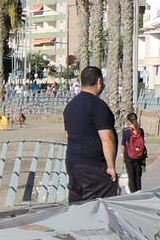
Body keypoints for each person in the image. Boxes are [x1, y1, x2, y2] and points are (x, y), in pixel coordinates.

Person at [63, 65, 119, 202]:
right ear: (99, 81)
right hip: (94, 167)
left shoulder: (70, 106)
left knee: (77, 205)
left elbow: (68, 137)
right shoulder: (98, 106)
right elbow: (107, 139)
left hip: (73, 163)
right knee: (100, 207)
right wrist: (111, 166)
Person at [122, 110, 149, 193]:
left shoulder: (126, 131)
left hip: (129, 156)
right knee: (138, 176)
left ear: (128, 121)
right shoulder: (141, 131)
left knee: (131, 176)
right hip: (139, 156)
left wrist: (122, 156)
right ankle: (139, 192)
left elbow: (123, 144)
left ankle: (133, 194)